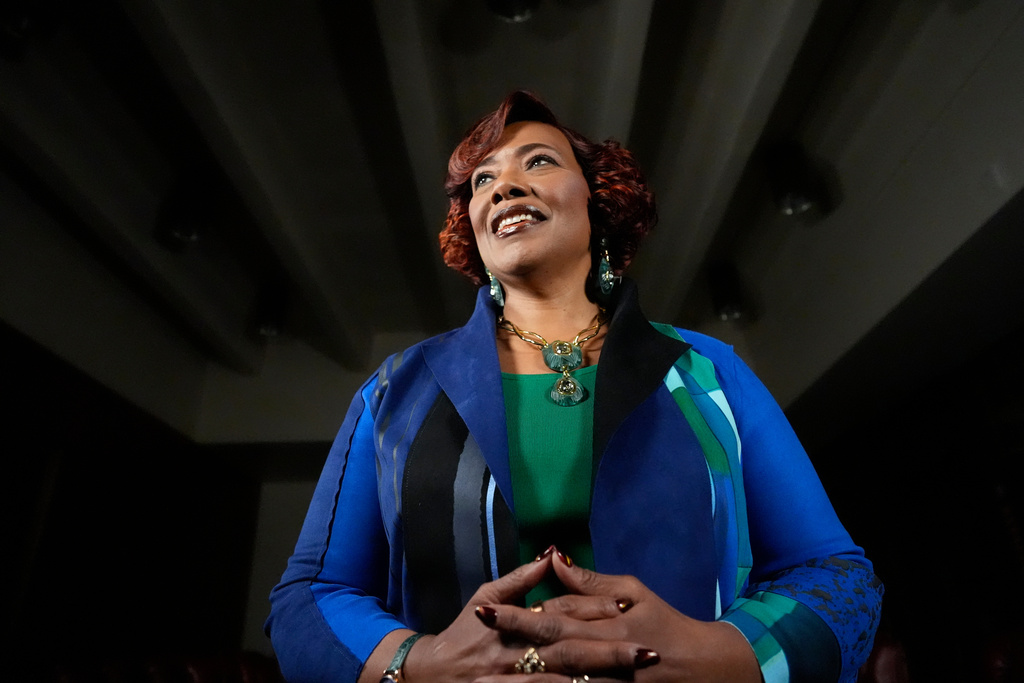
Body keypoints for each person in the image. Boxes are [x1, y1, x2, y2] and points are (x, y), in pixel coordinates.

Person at [266, 91, 883, 683]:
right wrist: (416, 664)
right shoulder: (394, 392)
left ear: (598, 200)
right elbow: (309, 597)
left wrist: (724, 656)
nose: (503, 185)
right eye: (483, 180)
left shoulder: (710, 373)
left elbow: (836, 575)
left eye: (539, 161)